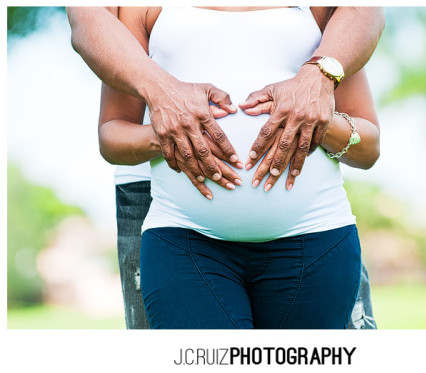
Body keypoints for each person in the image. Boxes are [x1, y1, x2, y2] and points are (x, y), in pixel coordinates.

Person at [67, 6, 383, 329]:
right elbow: (112, 132)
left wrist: (313, 118)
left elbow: (369, 145)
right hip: (184, 239)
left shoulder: (329, 29)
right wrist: (171, 133)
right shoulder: (141, 11)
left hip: (316, 239)